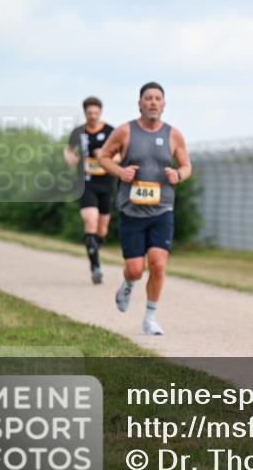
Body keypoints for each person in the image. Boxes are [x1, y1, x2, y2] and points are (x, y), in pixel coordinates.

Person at [97, 82, 191, 335]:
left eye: (157, 98)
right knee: (136, 269)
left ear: (164, 104)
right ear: (139, 104)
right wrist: (120, 172)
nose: (153, 102)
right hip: (132, 211)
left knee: (158, 264)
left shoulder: (174, 135)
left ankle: (150, 318)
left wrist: (178, 175)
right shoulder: (125, 131)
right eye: (148, 98)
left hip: (162, 210)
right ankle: (128, 283)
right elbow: (103, 157)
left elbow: (186, 166)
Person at [64, 96, 118, 284]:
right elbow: (68, 149)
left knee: (102, 230)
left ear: (100, 113)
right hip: (86, 183)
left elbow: (121, 156)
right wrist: (69, 157)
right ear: (85, 113)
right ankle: (96, 267)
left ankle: (93, 248)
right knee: (90, 221)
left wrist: (105, 157)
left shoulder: (111, 131)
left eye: (96, 113)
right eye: (89, 113)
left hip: (106, 184)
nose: (93, 116)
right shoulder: (78, 132)